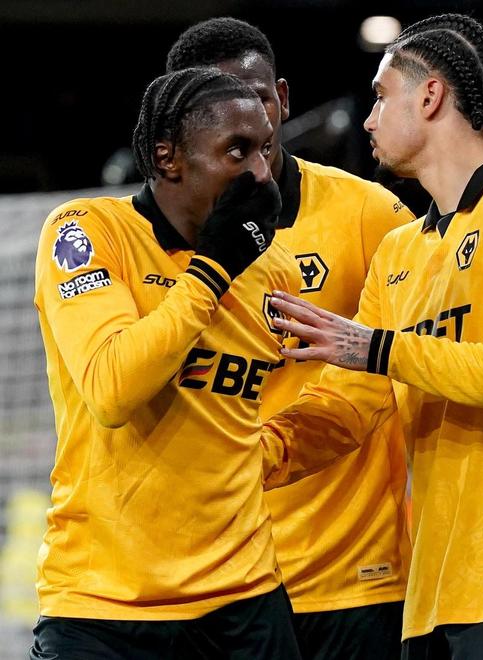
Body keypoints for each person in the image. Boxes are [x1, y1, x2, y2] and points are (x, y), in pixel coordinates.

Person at [261, 13, 483, 660]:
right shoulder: (399, 251)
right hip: (434, 596)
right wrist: (242, 457)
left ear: (430, 96)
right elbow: (348, 406)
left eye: (381, 96)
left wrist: (380, 348)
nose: (368, 120)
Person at [31, 67, 303, 659]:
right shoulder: (86, 232)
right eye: (237, 151)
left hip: (246, 600)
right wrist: (211, 272)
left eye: (265, 149)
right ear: (168, 157)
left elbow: (313, 395)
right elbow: (112, 389)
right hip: (103, 610)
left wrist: (266, 454)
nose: (262, 172)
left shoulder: (276, 270)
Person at [166, 18, 415, 660]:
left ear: (281, 97)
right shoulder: (153, 242)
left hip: (354, 577)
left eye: (256, 98)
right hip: (213, 579)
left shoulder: (372, 216)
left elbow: (411, 363)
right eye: (215, 106)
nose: (243, 121)